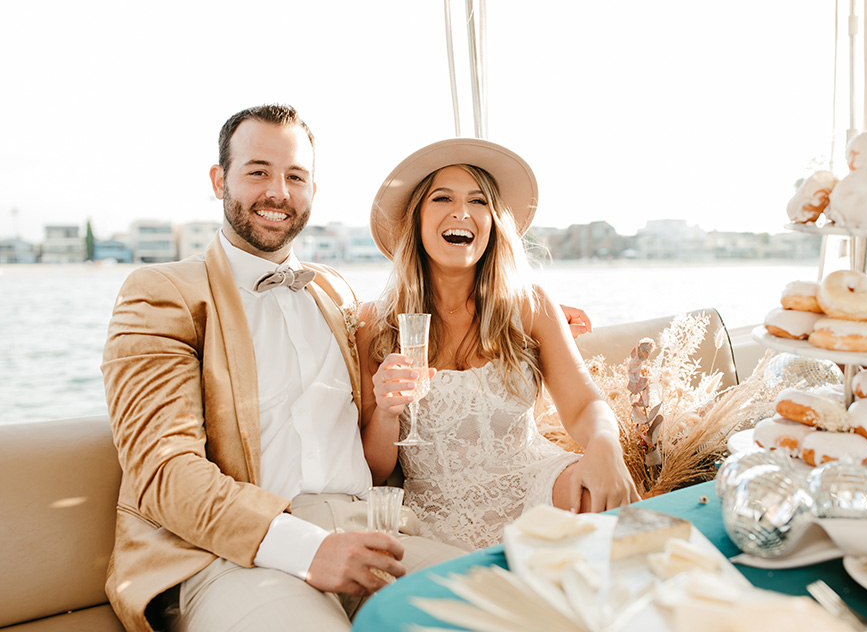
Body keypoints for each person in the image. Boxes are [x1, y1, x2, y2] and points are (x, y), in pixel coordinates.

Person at [100, 104, 467, 632]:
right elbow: (164, 472)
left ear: (314, 189)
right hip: (231, 555)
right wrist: (309, 548)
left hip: (376, 533)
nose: (278, 192)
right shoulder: (163, 293)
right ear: (218, 179)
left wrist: (529, 312)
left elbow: (437, 309)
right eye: (258, 172)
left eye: (295, 176)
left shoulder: (333, 291)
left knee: (517, 607)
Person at [357, 138, 640, 551]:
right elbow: (376, 471)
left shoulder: (532, 306)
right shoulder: (375, 325)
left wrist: (604, 444)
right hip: (435, 512)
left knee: (595, 497)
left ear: (493, 222)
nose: (462, 212)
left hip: (535, 480)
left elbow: (583, 405)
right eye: (442, 198)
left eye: (478, 201)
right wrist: (385, 412)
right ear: (415, 220)